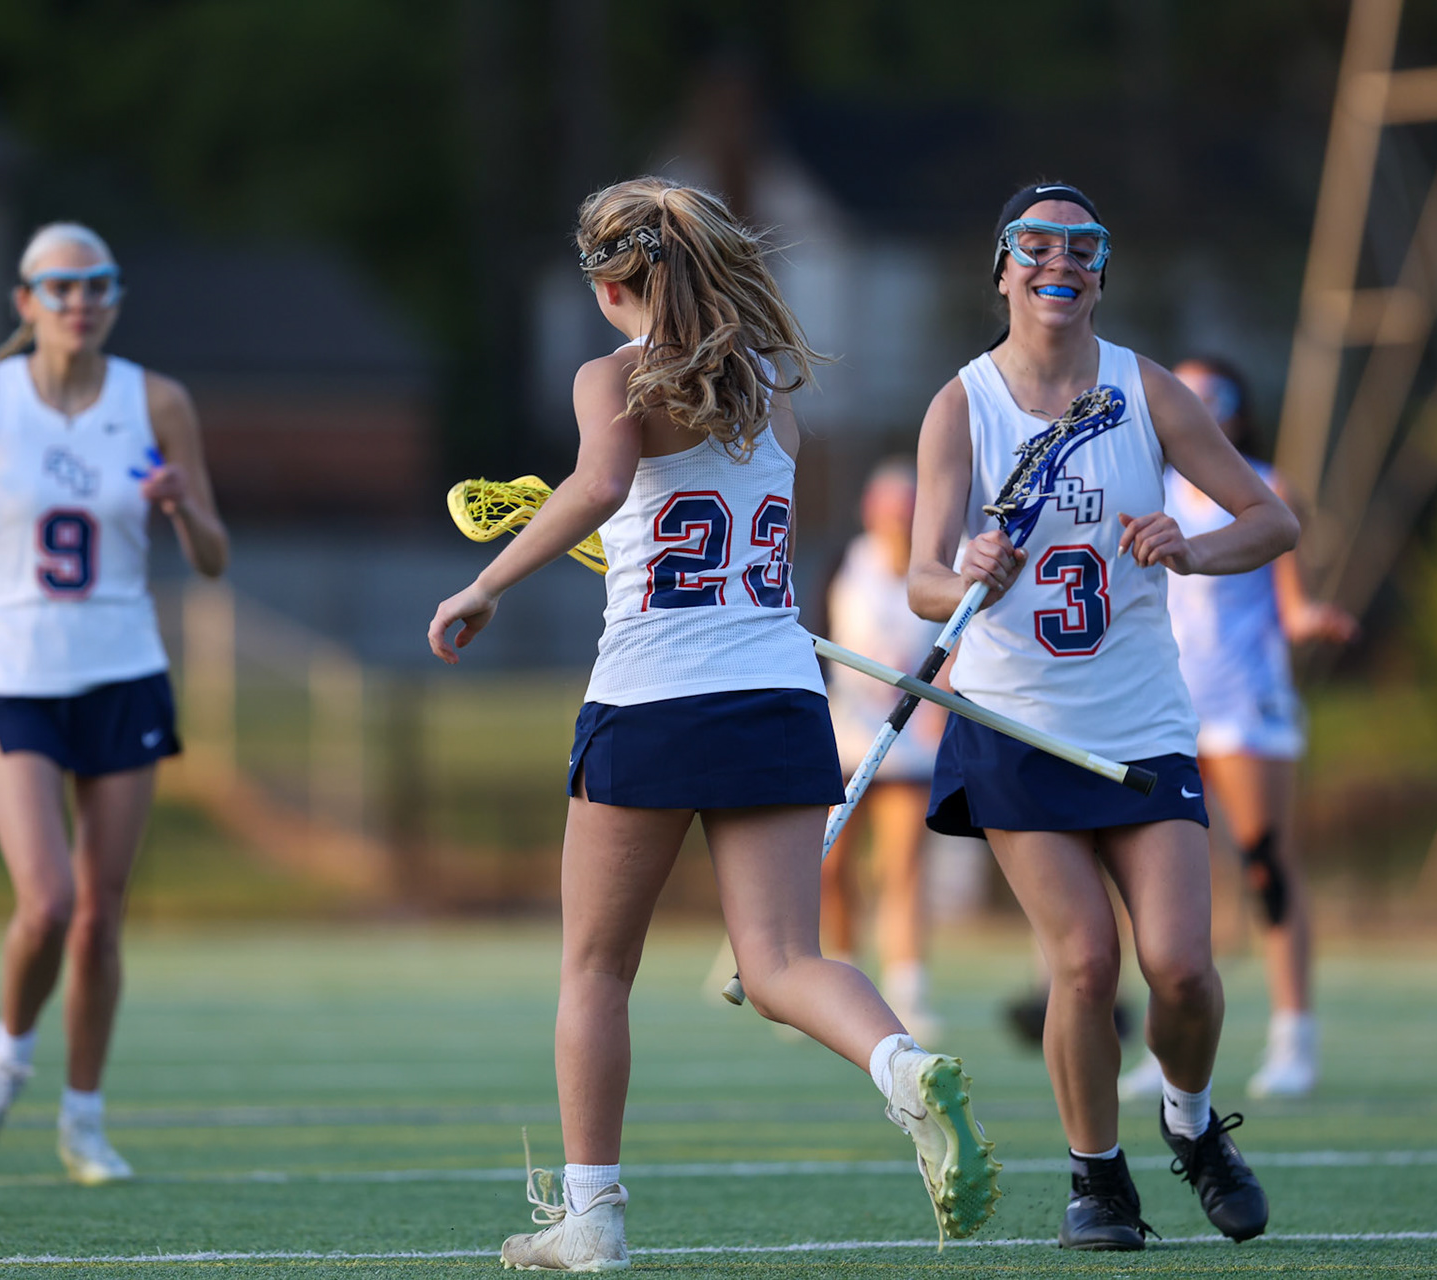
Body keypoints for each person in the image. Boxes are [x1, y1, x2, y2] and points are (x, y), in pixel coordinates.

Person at [428, 177, 1000, 1271]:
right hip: (778, 695)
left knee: (596, 969)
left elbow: (602, 484)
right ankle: (898, 1062)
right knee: (784, 958)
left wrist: (484, 584)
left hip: (648, 699)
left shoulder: (612, 377)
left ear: (609, 284)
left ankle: (590, 1213)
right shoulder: (770, 388)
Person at [908, 181, 1297, 1251]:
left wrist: (1192, 545)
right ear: (1002, 269)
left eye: (1082, 247)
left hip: (1142, 723)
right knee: (1082, 960)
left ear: (1100, 274)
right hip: (1017, 724)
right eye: (1035, 245)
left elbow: (1274, 519)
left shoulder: (1149, 390)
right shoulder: (962, 405)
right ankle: (1098, 1179)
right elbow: (920, 581)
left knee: (1181, 965)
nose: (1058, 262)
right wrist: (966, 572)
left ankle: (1190, 1119)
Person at [0, 222, 228, 1183]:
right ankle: (6, 1058)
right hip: (15, 671)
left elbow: (212, 557)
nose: (81, 301)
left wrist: (183, 505)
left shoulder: (157, 399)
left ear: (113, 298)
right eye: (60, 286)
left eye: (98, 284)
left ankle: (83, 1117)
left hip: (123, 670)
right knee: (48, 899)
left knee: (99, 916)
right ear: (25, 301)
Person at [1117, 358, 1357, 1104]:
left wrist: (1311, 620)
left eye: (1211, 394)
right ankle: (1172, 1047)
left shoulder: (1265, 486)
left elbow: (1289, 600)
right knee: (1169, 882)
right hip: (1167, 705)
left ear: (1238, 410)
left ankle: (1294, 1035)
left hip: (1246, 703)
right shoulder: (1145, 487)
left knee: (1265, 864)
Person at [821, 458, 946, 1043]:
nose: (897, 518)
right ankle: (840, 983)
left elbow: (954, 648)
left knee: (901, 867)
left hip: (908, 740)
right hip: (848, 735)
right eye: (888, 507)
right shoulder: (846, 566)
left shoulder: (934, 571)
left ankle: (906, 988)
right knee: (832, 866)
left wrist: (940, 706)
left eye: (907, 507)